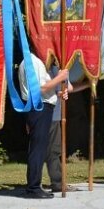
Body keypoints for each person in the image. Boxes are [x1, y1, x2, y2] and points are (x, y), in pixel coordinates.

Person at [18, 54, 70, 198]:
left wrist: (58, 93)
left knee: (39, 148)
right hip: (39, 107)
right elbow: (39, 89)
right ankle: (33, 187)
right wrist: (59, 78)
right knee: (38, 149)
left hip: (40, 106)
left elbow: (44, 89)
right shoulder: (33, 62)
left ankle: (34, 185)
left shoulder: (33, 61)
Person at [46, 76, 90, 193]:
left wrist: (88, 84)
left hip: (54, 113)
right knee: (51, 149)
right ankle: (56, 183)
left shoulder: (57, 68)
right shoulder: (44, 68)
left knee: (54, 149)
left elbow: (68, 87)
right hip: (45, 112)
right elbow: (43, 88)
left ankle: (56, 182)